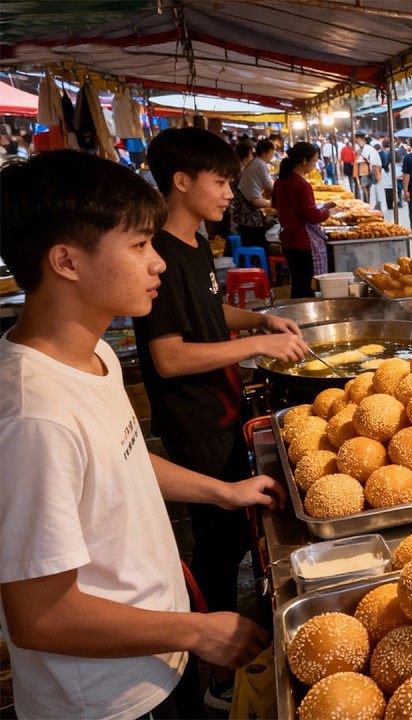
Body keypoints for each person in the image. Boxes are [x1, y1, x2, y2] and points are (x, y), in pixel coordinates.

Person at [0, 150, 285, 720]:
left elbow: (121, 458)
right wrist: (199, 630)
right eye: (138, 246)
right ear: (66, 261)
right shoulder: (34, 416)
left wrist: (224, 492)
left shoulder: (94, 352)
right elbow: (40, 617)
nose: (157, 264)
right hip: (108, 699)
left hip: (156, 656)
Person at [136, 128, 310, 707]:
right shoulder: (158, 255)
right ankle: (214, 671)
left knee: (236, 533)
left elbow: (209, 315)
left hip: (222, 408)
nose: (228, 194)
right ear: (180, 181)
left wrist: (259, 321)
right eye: (219, 182)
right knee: (218, 545)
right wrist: (254, 349)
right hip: (196, 423)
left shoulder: (193, 244)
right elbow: (169, 354)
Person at [273, 143, 335, 299]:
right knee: (308, 286)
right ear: (304, 161)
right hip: (303, 242)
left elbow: (275, 204)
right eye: (314, 162)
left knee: (298, 283)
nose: (315, 166)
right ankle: (308, 317)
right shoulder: (302, 184)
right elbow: (312, 216)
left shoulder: (280, 182)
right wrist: (329, 212)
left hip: (287, 240)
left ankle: (298, 315)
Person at [233, 139, 275, 248]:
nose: (272, 156)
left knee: (250, 240)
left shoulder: (256, 162)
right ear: (267, 152)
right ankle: (256, 262)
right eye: (272, 153)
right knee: (256, 242)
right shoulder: (260, 164)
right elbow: (268, 185)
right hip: (248, 210)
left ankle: (254, 259)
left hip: (245, 207)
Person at [353, 134, 382, 208]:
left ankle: (367, 204)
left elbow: (371, 161)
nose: (356, 141)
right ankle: (367, 203)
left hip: (365, 172)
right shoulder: (364, 148)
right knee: (367, 189)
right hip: (366, 171)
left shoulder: (366, 149)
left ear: (361, 139)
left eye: (357, 139)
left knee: (365, 188)